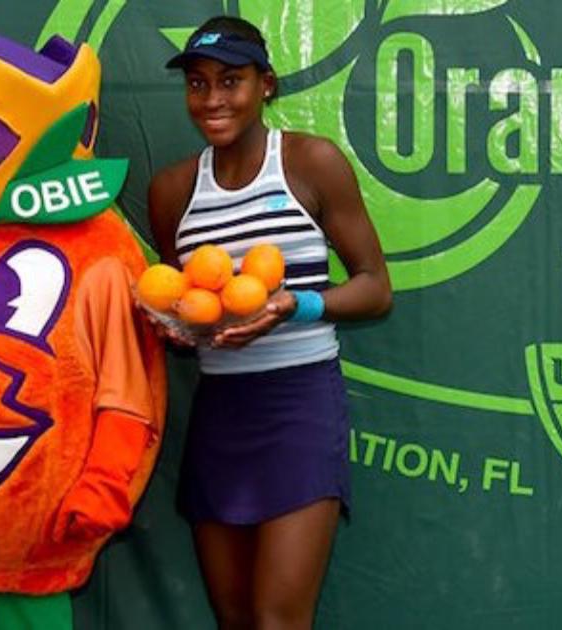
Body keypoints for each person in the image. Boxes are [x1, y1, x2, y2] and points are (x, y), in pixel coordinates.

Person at [147, 16, 392, 630]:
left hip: (299, 406)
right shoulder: (172, 190)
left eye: (231, 80)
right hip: (220, 411)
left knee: (278, 618)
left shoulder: (312, 162)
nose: (213, 99)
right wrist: (177, 330)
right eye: (198, 84)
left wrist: (295, 306)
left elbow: (375, 288)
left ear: (267, 85)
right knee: (233, 618)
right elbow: (189, 307)